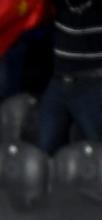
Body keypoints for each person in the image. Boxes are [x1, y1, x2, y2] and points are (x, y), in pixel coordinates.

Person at [37, 0, 102, 155]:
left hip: (93, 84)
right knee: (45, 150)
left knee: (97, 150)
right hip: (59, 82)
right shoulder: (61, 4)